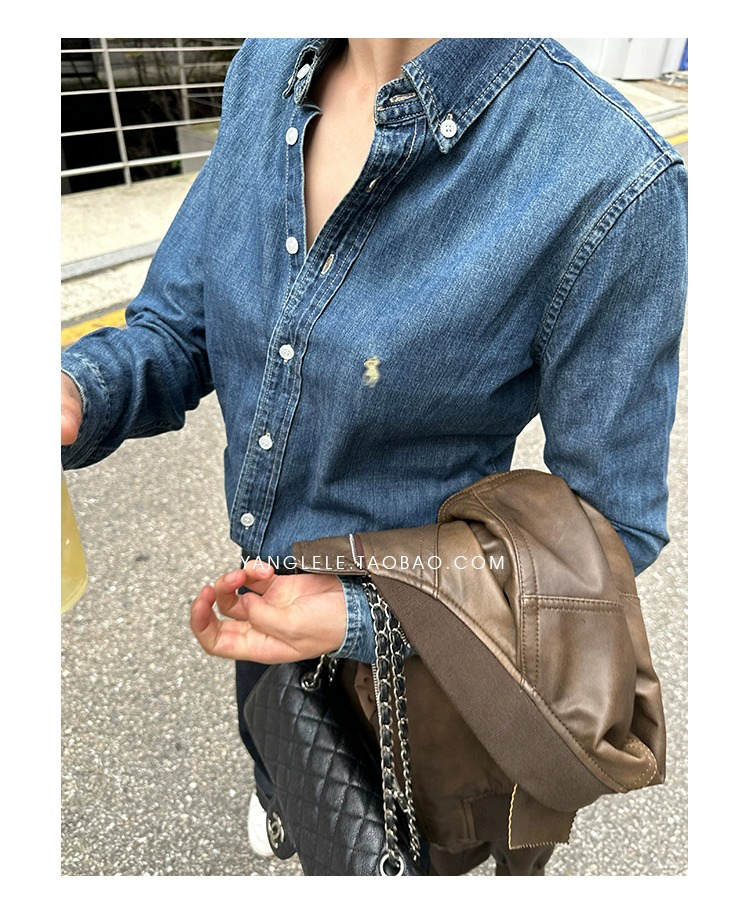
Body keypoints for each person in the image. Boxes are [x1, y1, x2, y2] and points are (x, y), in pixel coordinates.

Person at [61, 37, 688, 875]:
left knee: (375, 852)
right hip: (260, 599)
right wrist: (77, 391)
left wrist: (359, 615)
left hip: (421, 667)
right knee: (279, 746)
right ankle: (280, 788)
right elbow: (182, 323)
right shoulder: (264, 69)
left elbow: (606, 532)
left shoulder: (608, 176)